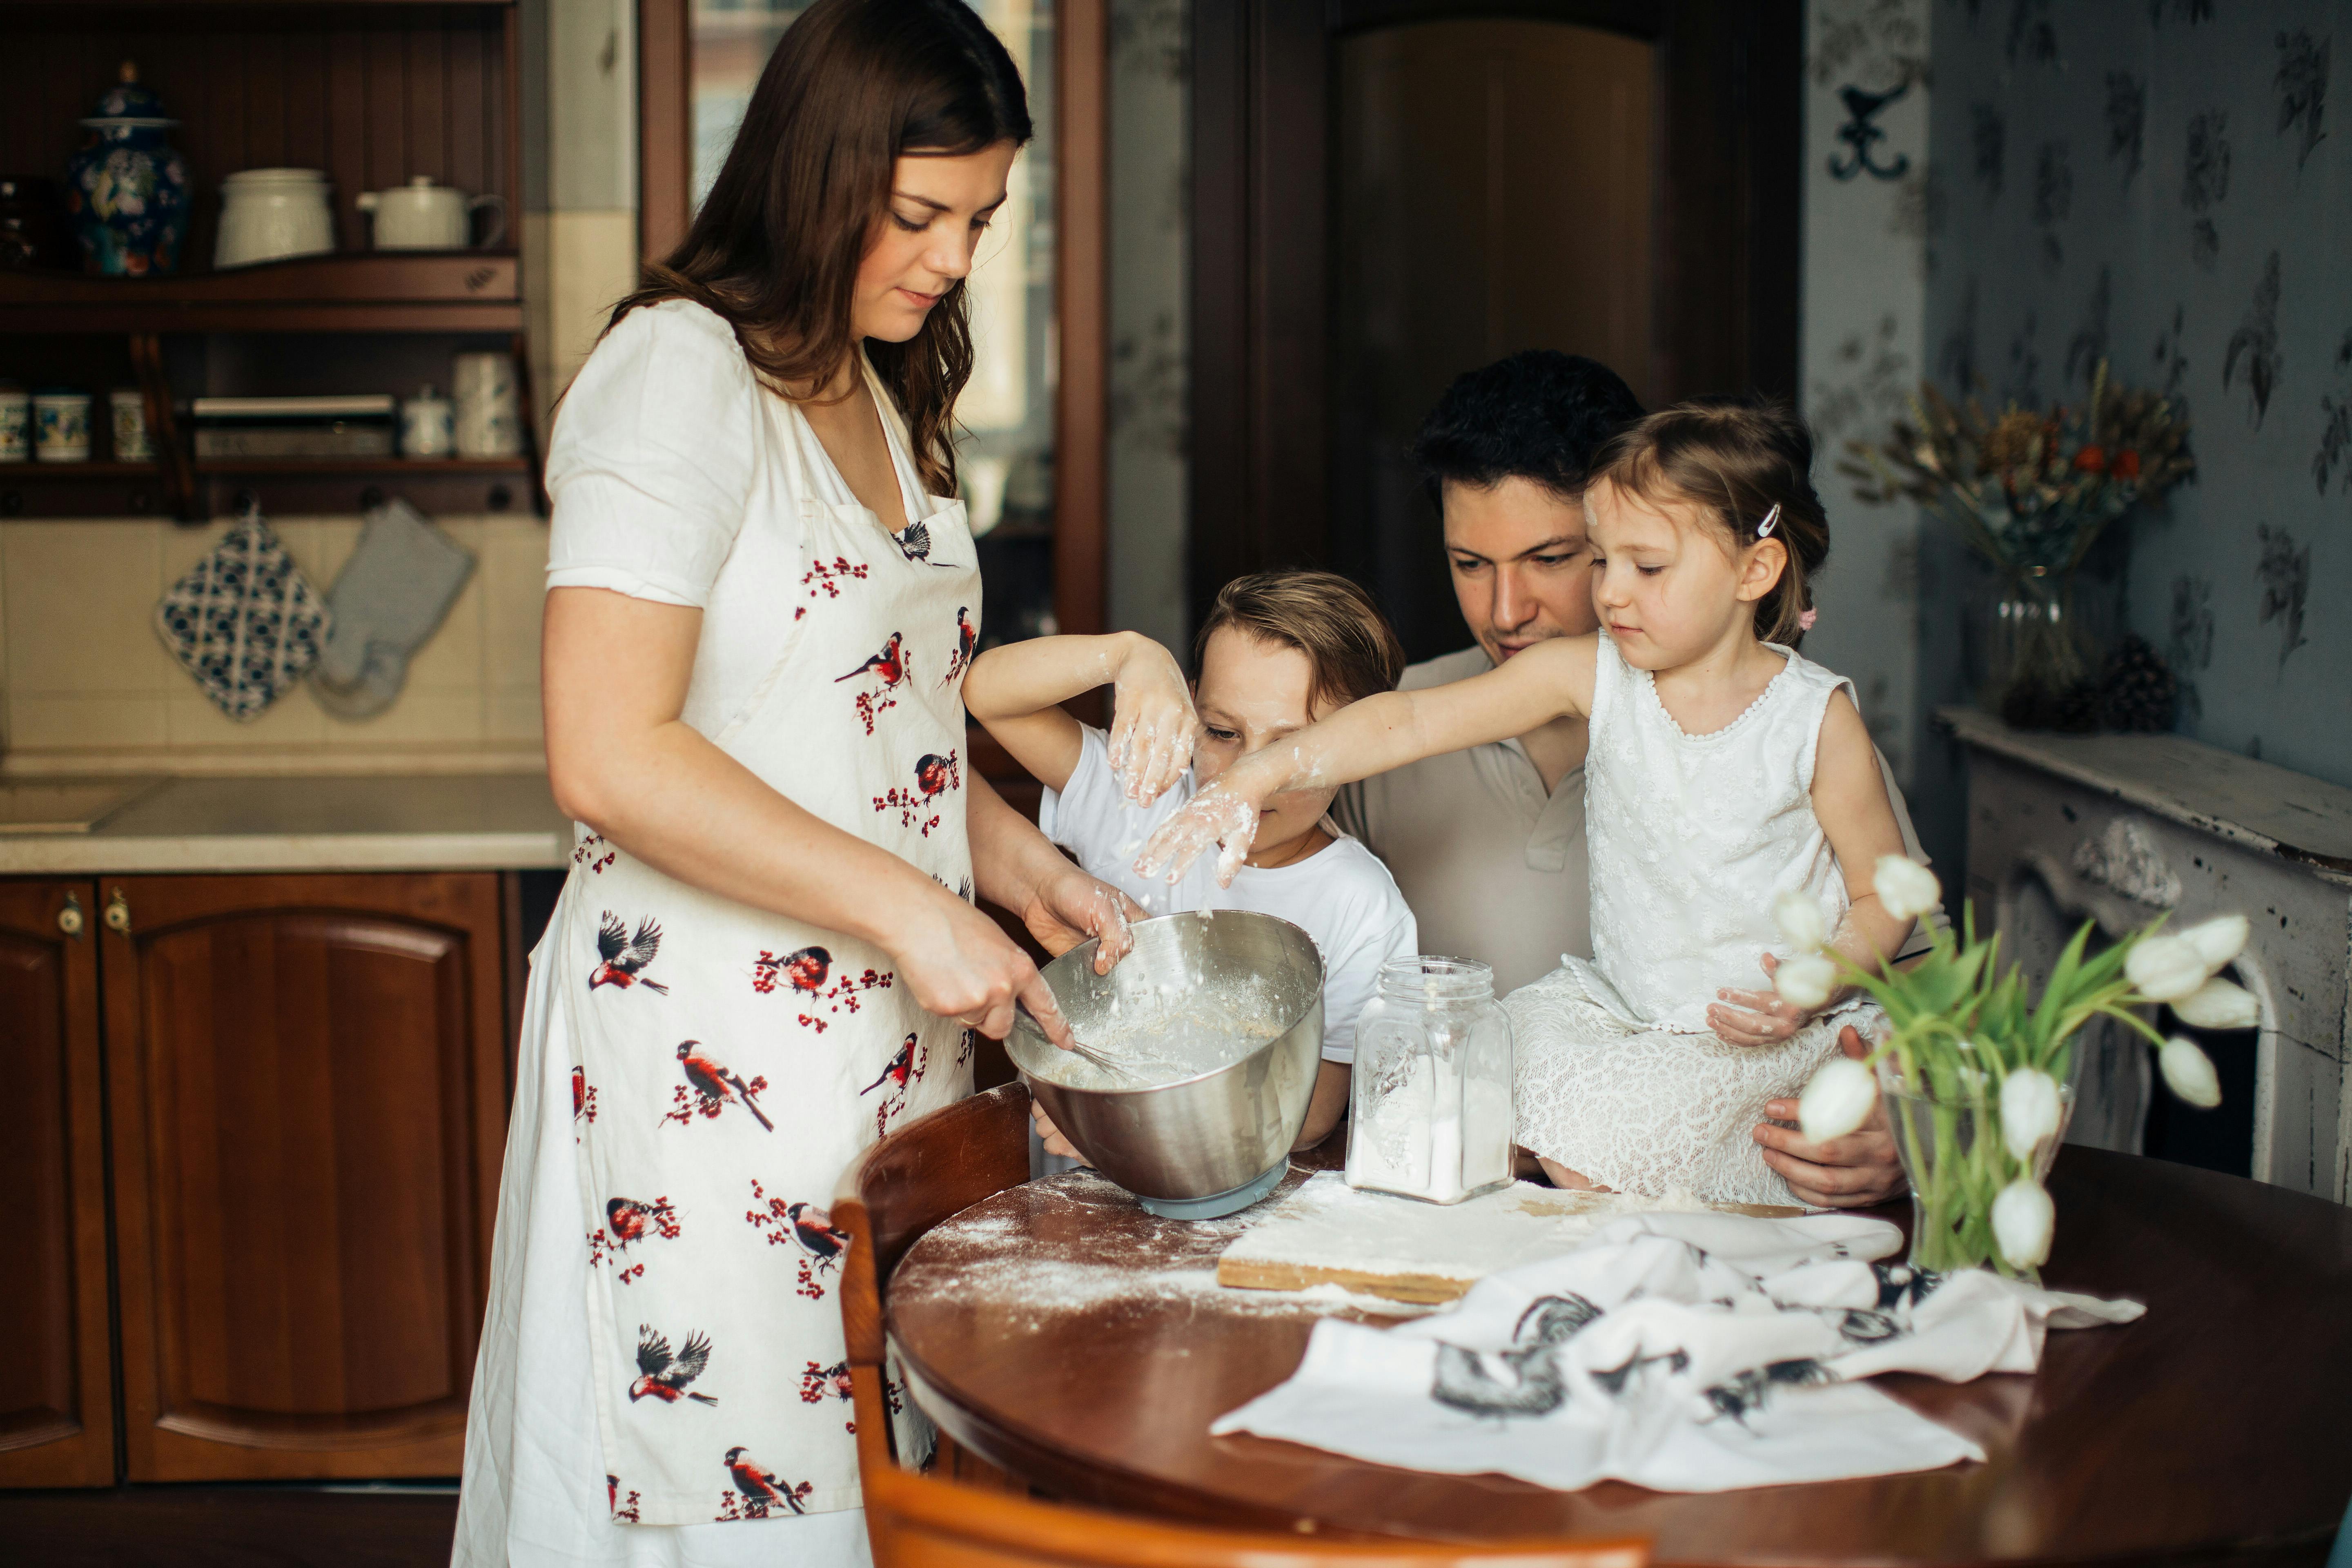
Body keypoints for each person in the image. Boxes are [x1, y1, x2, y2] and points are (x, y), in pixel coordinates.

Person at [453, 4, 1141, 1562]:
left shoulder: (882, 384)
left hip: (881, 1037)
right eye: (920, 216)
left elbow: (858, 714)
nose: (955, 260)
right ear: (820, 174)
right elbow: (609, 751)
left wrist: (1009, 861)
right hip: (709, 1050)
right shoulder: (674, 376)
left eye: (981, 220)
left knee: (866, 1480)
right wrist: (915, 904)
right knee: (724, 1480)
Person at [1137, 399, 1915, 1206]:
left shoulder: (1815, 722)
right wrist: (1262, 773)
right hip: (1629, 1025)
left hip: (1760, 1038)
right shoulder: (1592, 673)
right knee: (1469, 1105)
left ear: (1756, 570)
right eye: (1605, 563)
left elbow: (1884, 901)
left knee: (1645, 1175)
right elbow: (1406, 721)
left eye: (1642, 568)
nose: (1613, 593)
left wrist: (1815, 986)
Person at [964, 570, 1419, 1152]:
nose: (1246, 776)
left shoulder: (1360, 904)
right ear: (1190, 708)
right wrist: (1128, 656)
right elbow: (987, 694)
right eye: (1223, 731)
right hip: (1076, 1180)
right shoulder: (1141, 797)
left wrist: (1126, 1130)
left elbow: (1307, 1121)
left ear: (1358, 748)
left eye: (1289, 750)